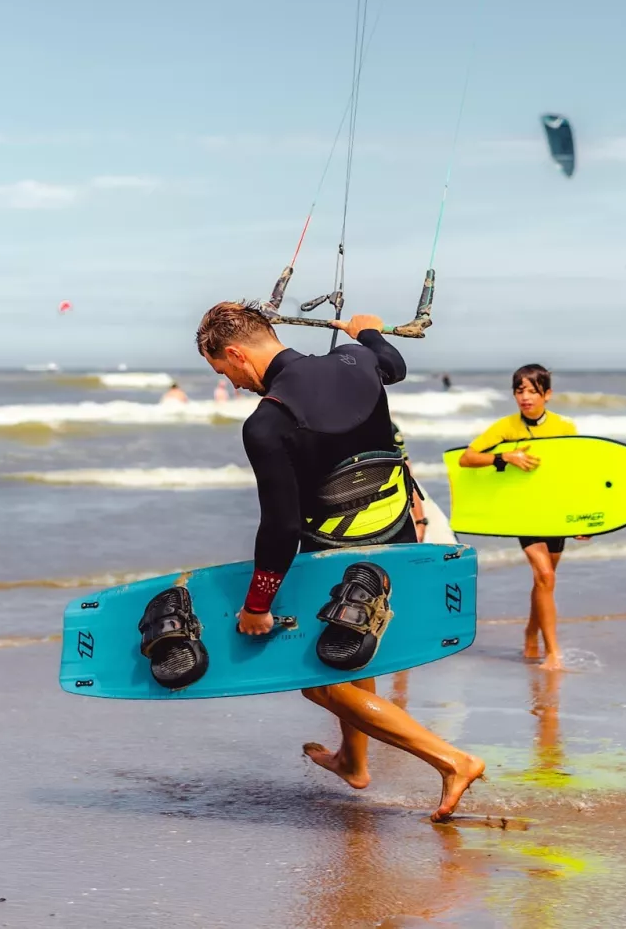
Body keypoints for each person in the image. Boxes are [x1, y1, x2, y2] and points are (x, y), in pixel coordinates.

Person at [196, 301, 485, 820]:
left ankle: (451, 760)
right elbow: (393, 364)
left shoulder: (267, 423)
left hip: (337, 558)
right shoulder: (356, 360)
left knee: (318, 680)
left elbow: (281, 527)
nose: (235, 384)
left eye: (225, 371)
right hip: (398, 535)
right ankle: (353, 761)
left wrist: (257, 603)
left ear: (237, 353)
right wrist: (368, 332)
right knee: (351, 654)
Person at [455, 364, 577, 671]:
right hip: (524, 513)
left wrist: (579, 522)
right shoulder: (506, 427)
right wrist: (505, 456)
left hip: (554, 513)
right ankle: (553, 652)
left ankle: (530, 632)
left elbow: (575, 475)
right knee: (545, 577)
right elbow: (466, 458)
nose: (525, 397)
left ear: (547, 395)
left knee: (544, 582)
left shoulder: (565, 428)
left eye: (532, 391)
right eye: (519, 391)